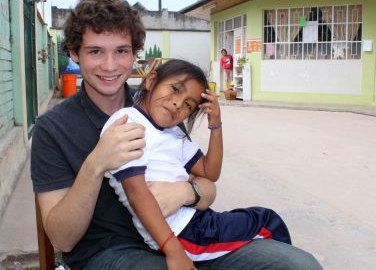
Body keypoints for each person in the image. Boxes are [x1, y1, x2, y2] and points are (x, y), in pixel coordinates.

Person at [31, 0, 322, 270]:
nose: (109, 65)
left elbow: (207, 187)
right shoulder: (53, 128)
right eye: (95, 51)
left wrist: (186, 191)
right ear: (73, 53)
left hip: (186, 232)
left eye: (121, 51)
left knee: (299, 264)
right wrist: (96, 164)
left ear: (135, 55)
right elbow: (62, 239)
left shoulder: (158, 106)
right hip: (111, 253)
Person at [102, 59, 292, 269]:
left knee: (257, 222)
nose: (177, 103)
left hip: (195, 221)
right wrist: (173, 252)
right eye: (175, 89)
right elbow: (137, 193)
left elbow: (209, 172)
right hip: (184, 234)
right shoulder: (128, 122)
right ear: (152, 81)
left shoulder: (173, 132)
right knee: (267, 222)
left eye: (188, 105)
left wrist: (216, 125)